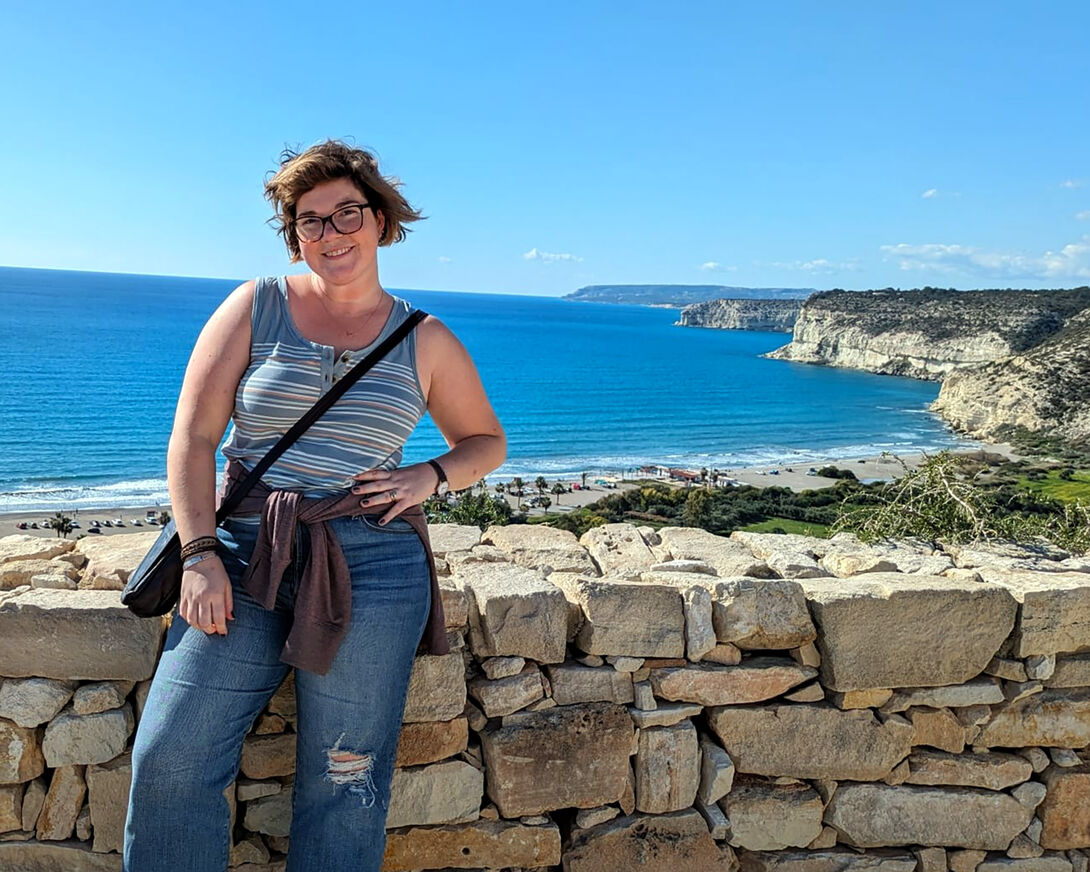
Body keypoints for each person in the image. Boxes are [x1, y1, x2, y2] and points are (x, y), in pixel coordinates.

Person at [123, 140, 506, 872]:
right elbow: (193, 438)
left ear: (381, 220)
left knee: (346, 778)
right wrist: (199, 554)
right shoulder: (256, 304)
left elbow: (486, 441)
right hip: (240, 552)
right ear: (294, 234)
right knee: (171, 756)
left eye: (346, 214)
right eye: (310, 221)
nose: (330, 234)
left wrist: (429, 476)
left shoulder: (422, 337)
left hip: (371, 564)